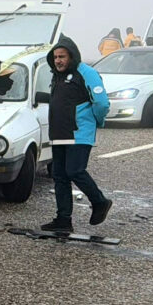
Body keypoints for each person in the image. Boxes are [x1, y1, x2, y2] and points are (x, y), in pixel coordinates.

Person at [40, 36, 112, 232]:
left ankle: (99, 202)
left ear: (72, 56)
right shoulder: (57, 75)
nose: (58, 61)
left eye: (62, 56)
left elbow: (102, 102)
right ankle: (63, 219)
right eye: (55, 57)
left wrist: (96, 121)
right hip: (59, 133)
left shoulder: (87, 73)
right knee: (60, 176)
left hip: (79, 132)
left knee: (75, 171)